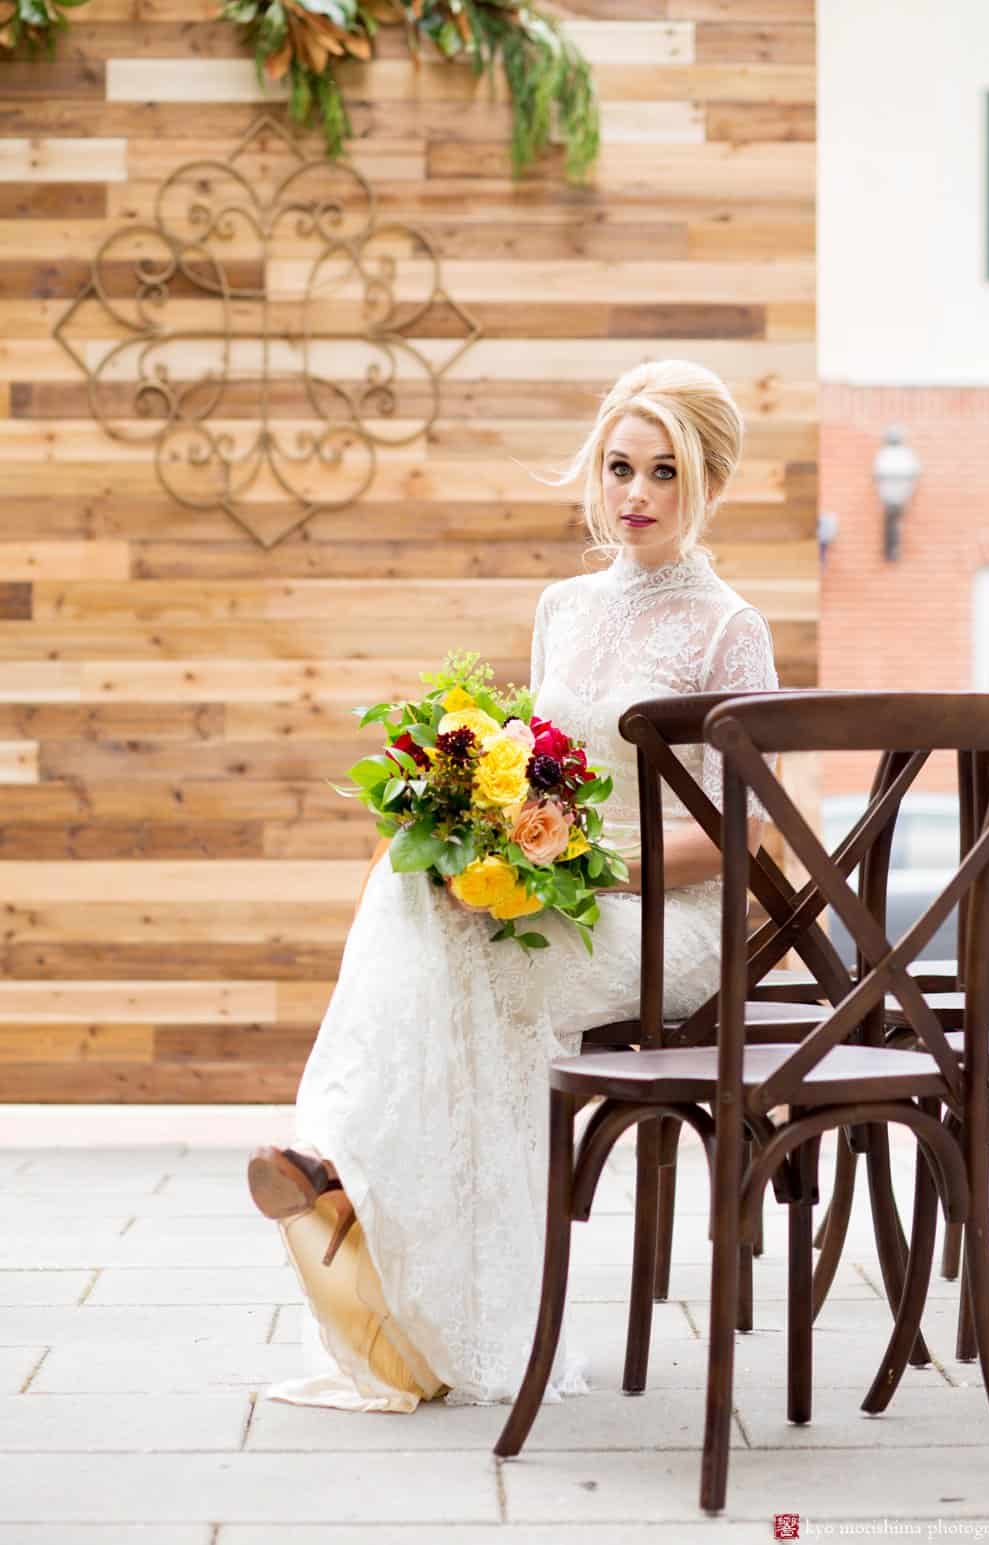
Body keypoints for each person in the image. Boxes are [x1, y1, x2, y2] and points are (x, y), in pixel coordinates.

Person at [247, 358, 778, 1413]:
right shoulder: (562, 607)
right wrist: (482, 827)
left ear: (706, 481)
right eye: (619, 466)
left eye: (663, 473)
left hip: (669, 919)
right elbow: (545, 767)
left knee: (477, 963)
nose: (634, 494)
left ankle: (376, 1201)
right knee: (419, 889)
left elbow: (737, 841)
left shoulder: (730, 628)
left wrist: (584, 868)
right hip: (561, 891)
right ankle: (381, 1221)